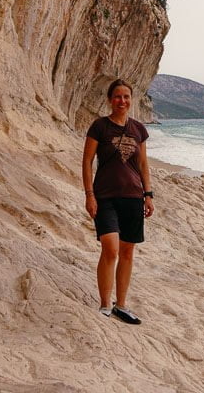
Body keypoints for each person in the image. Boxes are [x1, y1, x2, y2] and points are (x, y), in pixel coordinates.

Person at [82, 78, 155, 324]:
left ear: (131, 100)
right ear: (109, 100)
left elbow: (143, 164)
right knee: (110, 249)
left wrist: (148, 194)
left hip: (134, 197)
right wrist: (89, 195)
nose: (122, 101)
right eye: (117, 97)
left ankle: (121, 305)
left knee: (127, 252)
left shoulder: (138, 130)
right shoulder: (99, 127)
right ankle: (105, 303)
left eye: (126, 97)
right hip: (105, 197)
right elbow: (87, 161)